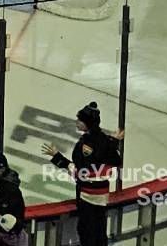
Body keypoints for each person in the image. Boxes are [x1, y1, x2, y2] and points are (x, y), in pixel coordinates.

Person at [44, 102, 123, 246]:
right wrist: (113, 142)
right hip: (102, 196)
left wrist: (58, 158)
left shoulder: (86, 145)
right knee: (99, 232)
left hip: (88, 197)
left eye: (80, 120)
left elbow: (82, 173)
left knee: (87, 233)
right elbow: (113, 159)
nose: (77, 122)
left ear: (88, 123)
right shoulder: (104, 139)